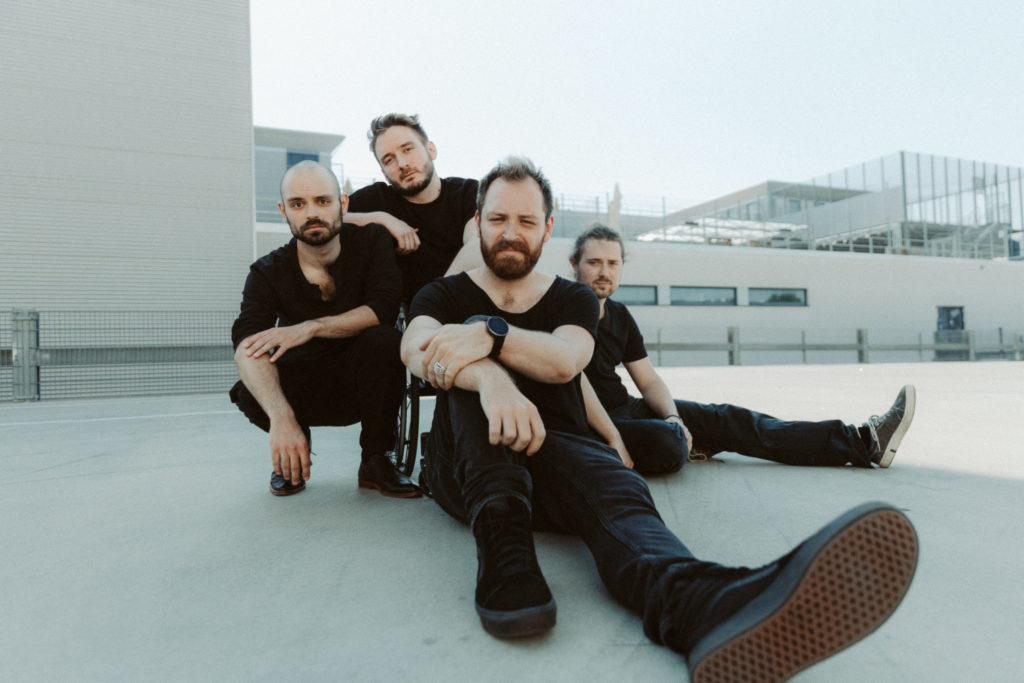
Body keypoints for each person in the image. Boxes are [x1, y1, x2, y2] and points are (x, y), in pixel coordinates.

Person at [400, 156, 918, 680]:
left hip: (556, 449)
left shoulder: (572, 297)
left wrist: (490, 336)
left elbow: (565, 362)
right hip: (465, 468)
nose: (511, 233)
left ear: (548, 228)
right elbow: (414, 348)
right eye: (498, 219)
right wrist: (488, 377)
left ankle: (702, 607)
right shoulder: (443, 293)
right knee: (466, 351)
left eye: (526, 221)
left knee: (619, 490)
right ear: (479, 221)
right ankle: (506, 555)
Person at [570, 224, 917, 475]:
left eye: (613, 264)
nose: (604, 272)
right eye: (594, 262)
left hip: (629, 408)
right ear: (575, 264)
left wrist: (674, 417)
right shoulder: (560, 308)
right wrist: (666, 430)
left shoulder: (620, 315)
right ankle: (688, 443)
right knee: (667, 443)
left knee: (729, 418)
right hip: (592, 424)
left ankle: (864, 441)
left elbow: (647, 381)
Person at [229, 161, 419, 498]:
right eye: (297, 204)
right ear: (283, 211)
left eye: (323, 201)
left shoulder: (371, 242)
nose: (312, 213)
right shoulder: (266, 272)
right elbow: (247, 344)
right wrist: (281, 418)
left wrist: (309, 328)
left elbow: (383, 309)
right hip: (305, 388)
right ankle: (293, 453)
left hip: (366, 385)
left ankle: (375, 460)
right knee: (249, 388)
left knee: (385, 339)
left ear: (343, 204)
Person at [346, 113, 481, 306]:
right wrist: (382, 218)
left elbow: (477, 244)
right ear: (384, 174)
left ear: (431, 150)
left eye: (408, 149)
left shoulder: (468, 192)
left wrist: (435, 302)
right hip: (412, 317)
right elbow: (325, 219)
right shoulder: (376, 199)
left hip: (468, 307)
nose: (402, 164)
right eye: (389, 160)